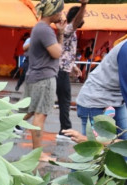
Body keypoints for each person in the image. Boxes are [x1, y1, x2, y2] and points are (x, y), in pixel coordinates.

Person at [21, 0, 65, 159]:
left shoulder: (40, 27)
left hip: (35, 76)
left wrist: (59, 32)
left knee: (27, 113)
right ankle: (38, 154)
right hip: (44, 78)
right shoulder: (45, 30)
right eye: (60, 11)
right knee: (39, 116)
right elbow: (57, 53)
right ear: (52, 12)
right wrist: (60, 34)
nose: (61, 14)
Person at [69, 40, 127, 140]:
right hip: (95, 101)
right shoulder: (125, 50)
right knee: (96, 149)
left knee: (123, 145)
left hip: (117, 99)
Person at [56, 1, 88, 138]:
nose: (83, 19)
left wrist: (73, 66)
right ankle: (65, 130)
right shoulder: (69, 29)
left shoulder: (70, 32)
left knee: (61, 100)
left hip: (62, 69)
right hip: (60, 71)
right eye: (82, 16)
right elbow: (77, 21)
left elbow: (66, 52)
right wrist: (83, 6)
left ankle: (65, 129)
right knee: (64, 101)